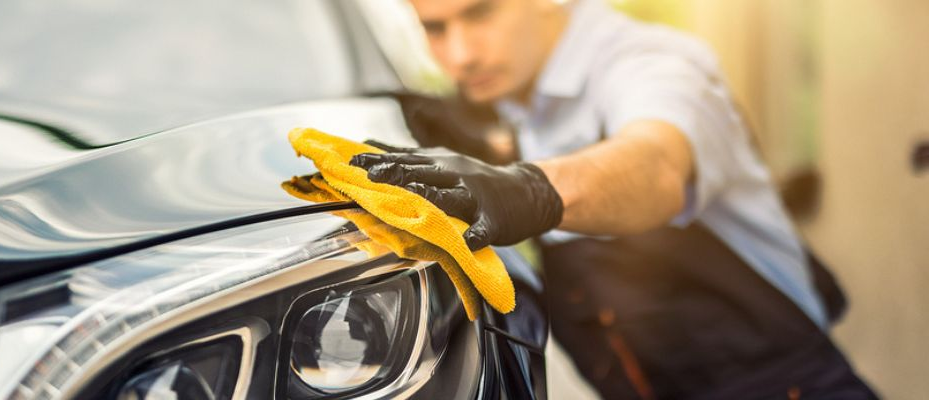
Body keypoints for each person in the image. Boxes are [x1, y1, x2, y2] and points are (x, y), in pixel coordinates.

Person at [350, 0, 879, 398]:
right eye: (435, 28)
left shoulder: (649, 62)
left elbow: (657, 165)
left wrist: (529, 189)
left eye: (482, 12)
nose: (461, 55)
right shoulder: (518, 96)